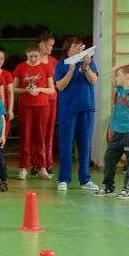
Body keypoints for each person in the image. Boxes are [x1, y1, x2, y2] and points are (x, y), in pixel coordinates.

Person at [54, 36, 99, 192]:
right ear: (67, 49)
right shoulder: (61, 64)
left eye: (80, 46)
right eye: (75, 46)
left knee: (85, 145)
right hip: (68, 110)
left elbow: (93, 80)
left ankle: (85, 179)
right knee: (66, 145)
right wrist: (71, 70)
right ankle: (64, 179)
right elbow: (60, 86)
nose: (79, 49)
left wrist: (86, 66)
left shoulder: (89, 62)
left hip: (86, 108)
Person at [95, 65, 129, 200]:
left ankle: (127, 189)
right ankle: (108, 187)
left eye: (119, 75)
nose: (116, 78)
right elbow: (112, 70)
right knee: (109, 158)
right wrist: (127, 63)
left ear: (127, 77)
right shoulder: (121, 90)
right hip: (117, 132)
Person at [12, 44, 54, 180]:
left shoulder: (45, 67)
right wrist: (26, 90)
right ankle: (24, 168)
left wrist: (39, 90)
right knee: (26, 136)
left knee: (41, 136)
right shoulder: (20, 67)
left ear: (39, 55)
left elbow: (51, 89)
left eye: (36, 56)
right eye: (31, 56)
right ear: (27, 55)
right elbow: (13, 88)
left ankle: (42, 167)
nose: (34, 59)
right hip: (25, 106)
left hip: (42, 105)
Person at [37, 32, 58, 169]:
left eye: (52, 45)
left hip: (51, 99)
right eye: (50, 45)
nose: (51, 48)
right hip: (37, 101)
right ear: (42, 44)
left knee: (49, 132)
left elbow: (57, 81)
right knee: (38, 132)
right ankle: (37, 163)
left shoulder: (53, 61)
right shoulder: (33, 59)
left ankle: (47, 163)